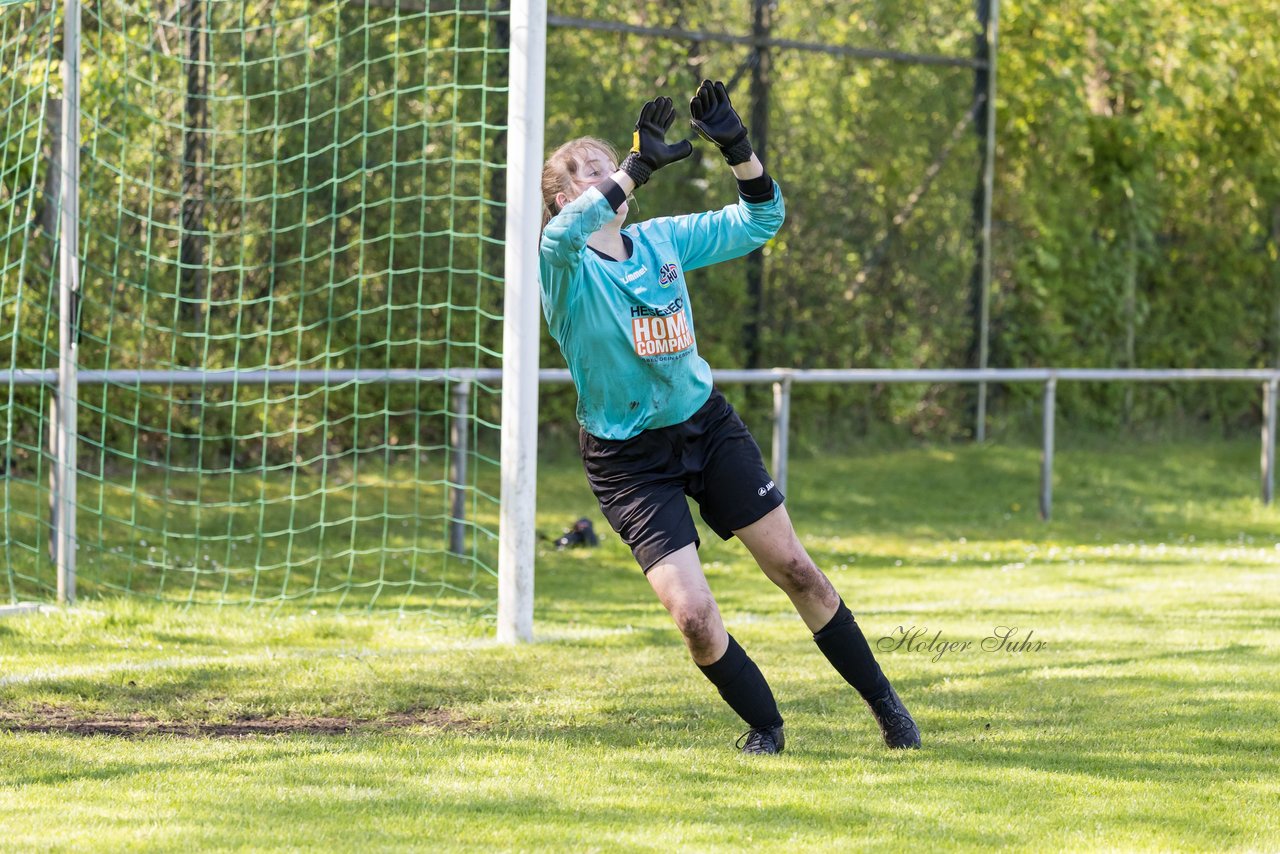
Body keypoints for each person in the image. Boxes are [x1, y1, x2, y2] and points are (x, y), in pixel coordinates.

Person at [538, 80, 920, 754]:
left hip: (704, 427)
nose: (607, 175)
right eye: (590, 172)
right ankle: (766, 727)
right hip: (628, 461)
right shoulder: (564, 266)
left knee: (797, 569)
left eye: (610, 163)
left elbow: (761, 220)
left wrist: (739, 150)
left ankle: (886, 706)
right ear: (566, 198)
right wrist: (634, 169)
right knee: (694, 618)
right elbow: (563, 235)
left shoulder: (664, 243)